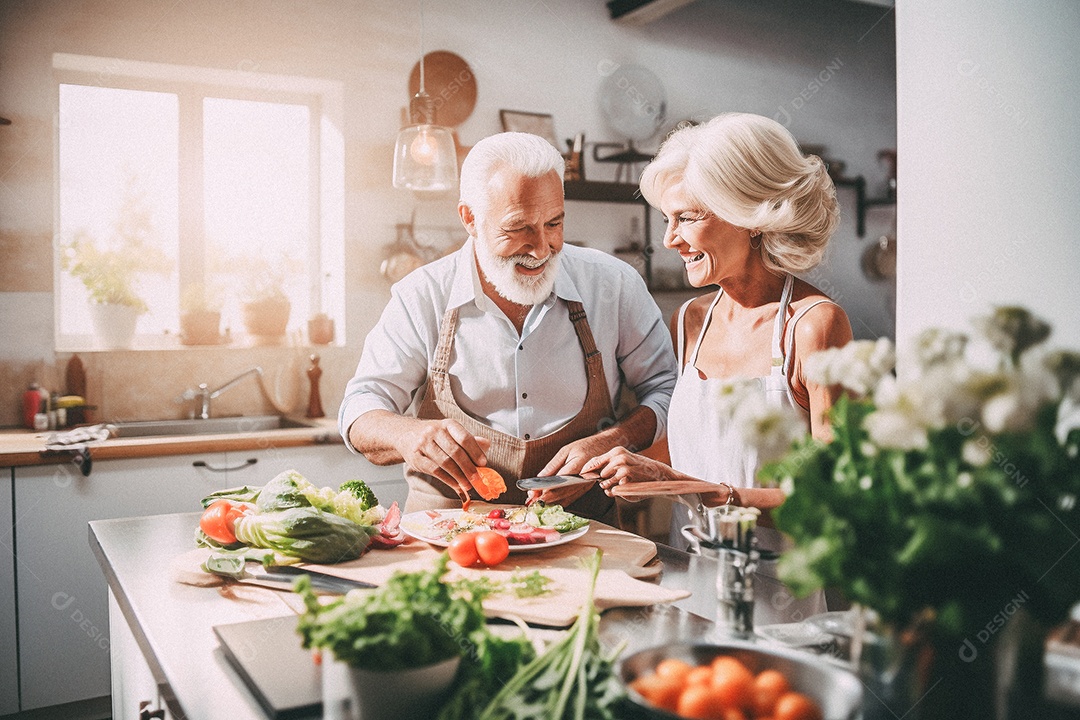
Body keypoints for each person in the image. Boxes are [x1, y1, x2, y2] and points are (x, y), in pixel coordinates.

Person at [581, 112, 853, 619]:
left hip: (779, 598)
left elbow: (834, 498)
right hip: (687, 577)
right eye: (668, 219)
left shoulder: (814, 326)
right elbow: (701, 441)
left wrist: (708, 493)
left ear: (750, 215)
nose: (669, 239)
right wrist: (617, 460)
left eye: (687, 218)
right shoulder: (691, 319)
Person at [339, 132, 677, 525]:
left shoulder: (613, 285)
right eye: (518, 229)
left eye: (554, 223)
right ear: (470, 218)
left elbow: (668, 390)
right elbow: (360, 408)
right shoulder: (422, 295)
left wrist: (613, 439)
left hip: (586, 534)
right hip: (446, 538)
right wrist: (408, 436)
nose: (541, 248)